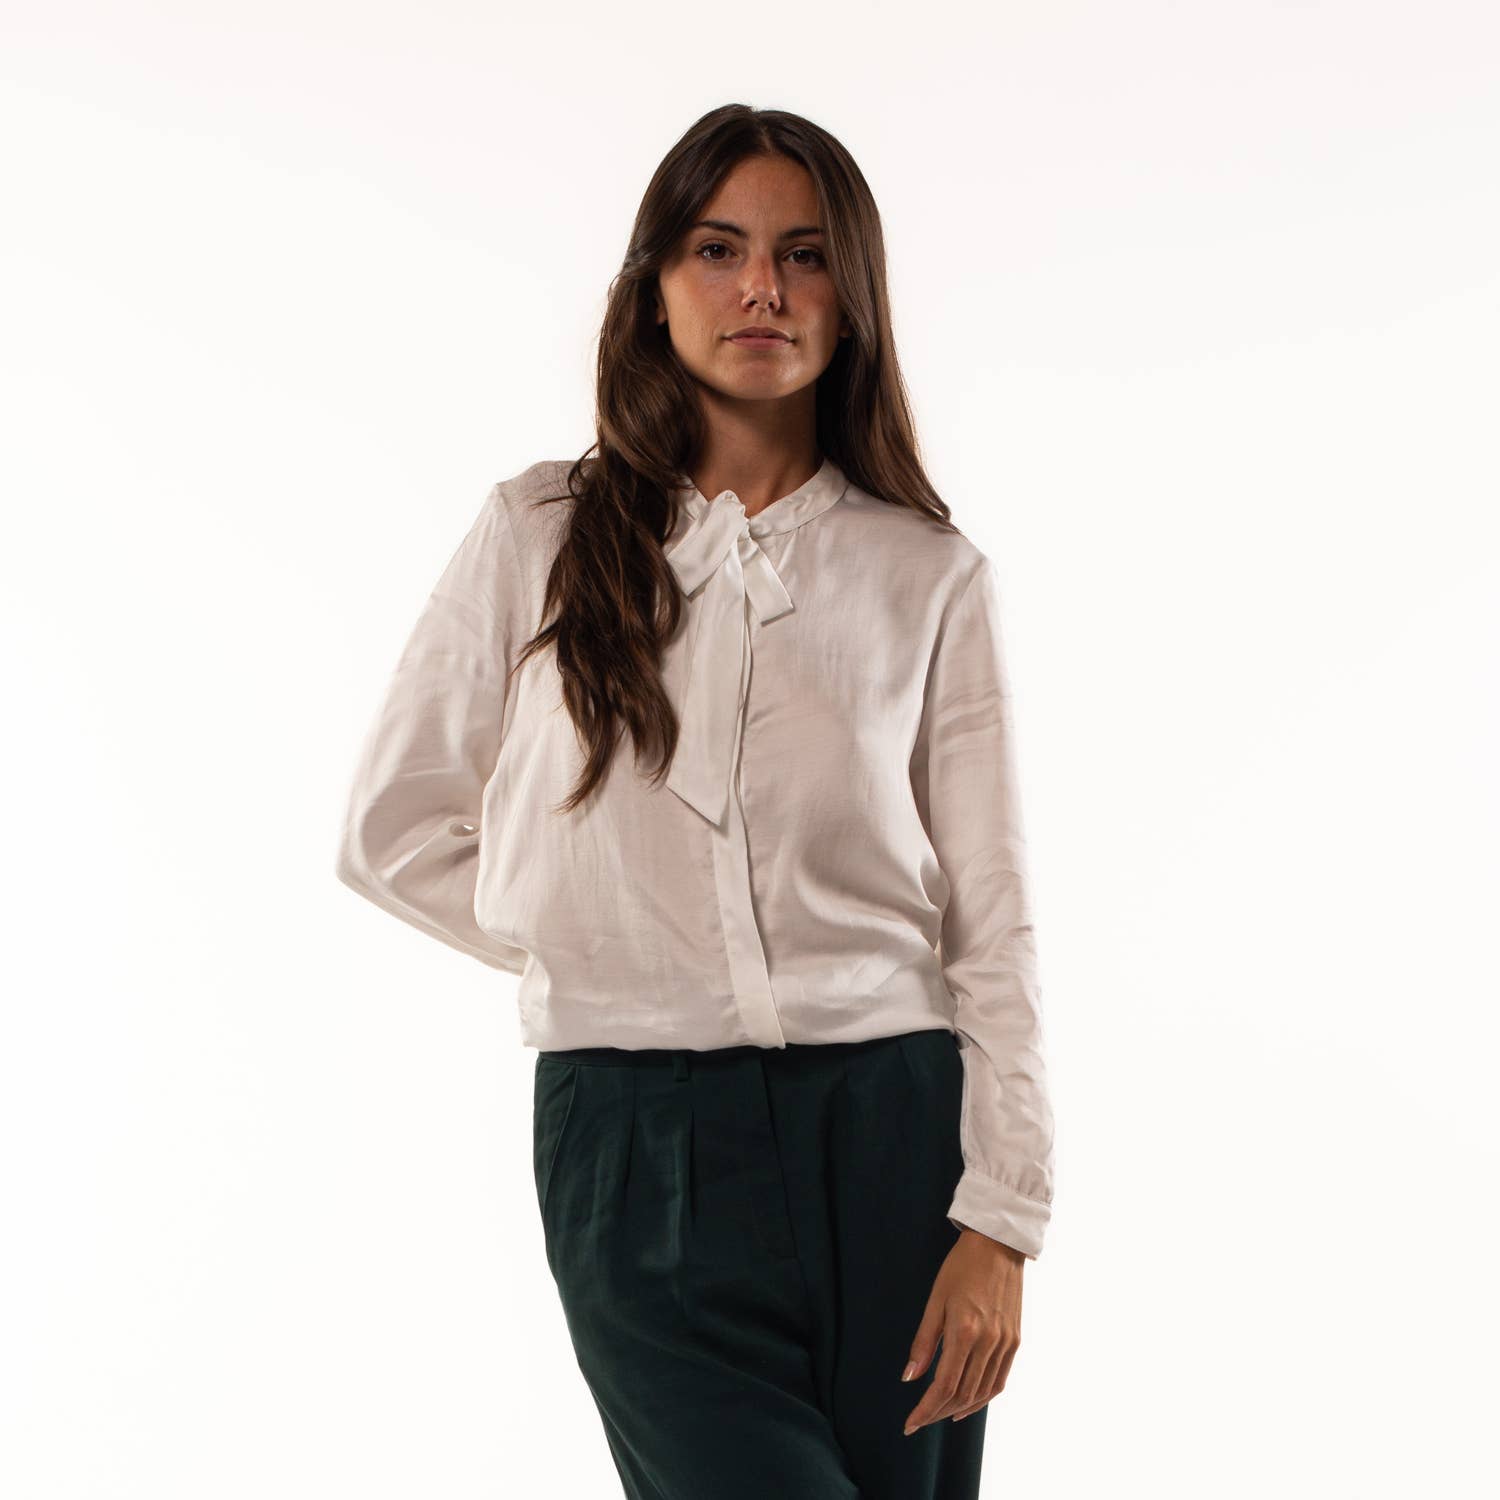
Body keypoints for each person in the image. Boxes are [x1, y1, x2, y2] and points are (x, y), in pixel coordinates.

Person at [335, 102, 1055, 1500]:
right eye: (718, 250)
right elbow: (395, 829)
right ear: (655, 285)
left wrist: (1004, 1217)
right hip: (633, 1145)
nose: (762, 290)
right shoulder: (538, 534)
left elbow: (992, 920)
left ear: (853, 295)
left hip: (895, 1135)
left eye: (804, 255)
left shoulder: (928, 575)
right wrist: (613, 947)